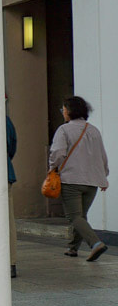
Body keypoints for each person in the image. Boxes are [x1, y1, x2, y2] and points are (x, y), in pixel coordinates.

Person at [51, 95, 109, 262]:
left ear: (69, 111)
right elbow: (102, 157)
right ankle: (72, 248)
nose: (63, 112)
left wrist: (51, 168)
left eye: (63, 109)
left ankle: (96, 243)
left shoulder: (64, 130)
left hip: (71, 179)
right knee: (81, 215)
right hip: (92, 182)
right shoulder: (94, 130)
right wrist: (103, 177)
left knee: (74, 216)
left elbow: (57, 153)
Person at [6, 113, 18, 278]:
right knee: (8, 220)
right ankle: (10, 263)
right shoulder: (3, 117)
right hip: (4, 171)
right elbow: (12, 144)